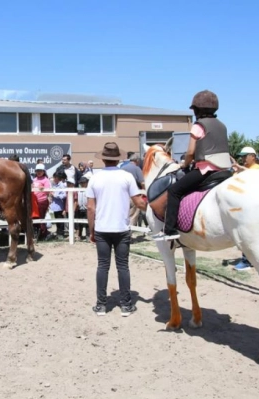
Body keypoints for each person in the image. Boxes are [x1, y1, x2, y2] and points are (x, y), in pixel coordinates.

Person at [153, 90, 232, 241]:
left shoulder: (198, 126)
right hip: (225, 170)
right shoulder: (222, 125)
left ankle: (169, 230)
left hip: (205, 170)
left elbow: (190, 152)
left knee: (174, 191)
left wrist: (184, 164)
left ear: (197, 110)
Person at [86, 142, 147, 316]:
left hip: (102, 228)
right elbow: (138, 203)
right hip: (121, 228)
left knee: (102, 266)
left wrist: (92, 230)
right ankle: (126, 305)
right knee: (123, 266)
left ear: (103, 158)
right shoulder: (127, 177)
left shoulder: (95, 178)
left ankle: (101, 305)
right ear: (117, 158)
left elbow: (91, 208)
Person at [229, 147, 259, 271]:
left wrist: (241, 169)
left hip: (255, 207)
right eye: (242, 156)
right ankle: (248, 259)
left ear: (253, 156)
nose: (243, 158)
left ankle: (247, 260)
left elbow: (258, 176)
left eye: (245, 156)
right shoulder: (239, 170)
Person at [31, 164, 52, 240]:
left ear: (43, 171)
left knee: (41, 218)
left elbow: (48, 190)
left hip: (42, 201)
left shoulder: (46, 180)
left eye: (40, 171)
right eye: (37, 171)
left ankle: (44, 234)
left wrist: (43, 189)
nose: (39, 172)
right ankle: (37, 234)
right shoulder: (34, 179)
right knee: (35, 218)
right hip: (34, 201)